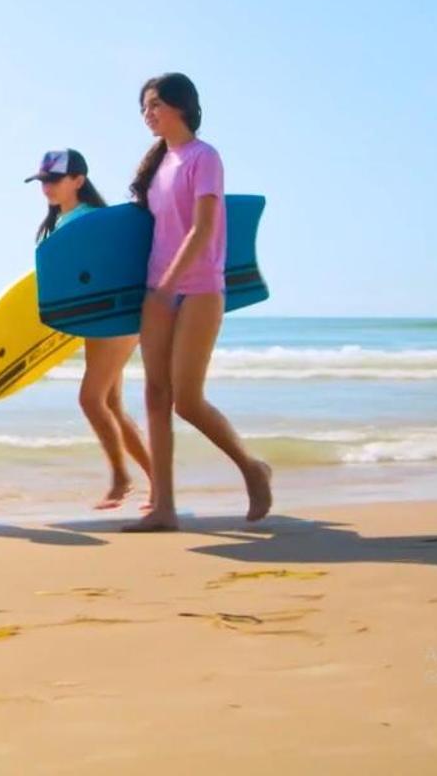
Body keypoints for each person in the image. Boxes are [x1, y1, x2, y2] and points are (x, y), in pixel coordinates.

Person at [119, 75, 273, 532]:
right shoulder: (159, 163)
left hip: (199, 287)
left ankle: (251, 468)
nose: (147, 113)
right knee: (154, 394)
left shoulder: (204, 158)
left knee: (186, 400)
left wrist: (169, 283)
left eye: (153, 105)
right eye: (143, 107)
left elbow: (204, 227)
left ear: (179, 106)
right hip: (157, 288)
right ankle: (163, 505)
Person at [27, 148, 154, 509]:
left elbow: (117, 267)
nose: (46, 187)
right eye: (43, 181)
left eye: (54, 180)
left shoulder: (92, 220)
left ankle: (121, 479)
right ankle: (156, 481)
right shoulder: (62, 223)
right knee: (110, 401)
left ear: (78, 180)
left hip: (114, 317)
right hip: (97, 320)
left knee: (90, 398)